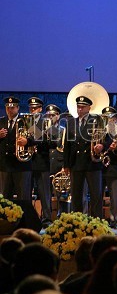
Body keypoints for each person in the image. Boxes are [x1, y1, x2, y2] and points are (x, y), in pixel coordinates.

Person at [63, 95, 104, 217]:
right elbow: (67, 145)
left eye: (82, 107)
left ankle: (98, 221)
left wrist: (101, 147)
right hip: (76, 163)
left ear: (89, 108)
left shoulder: (97, 121)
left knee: (96, 195)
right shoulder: (71, 123)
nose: (79, 109)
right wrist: (66, 164)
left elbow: (104, 139)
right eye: (78, 107)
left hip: (92, 163)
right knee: (76, 195)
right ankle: (77, 220)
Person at [0, 96, 34, 201]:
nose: (9, 110)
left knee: (23, 197)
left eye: (12, 108)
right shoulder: (1, 121)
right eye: (7, 108)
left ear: (18, 108)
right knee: (4, 198)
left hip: (22, 166)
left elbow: (38, 138)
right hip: (5, 165)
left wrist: (27, 141)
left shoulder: (27, 120)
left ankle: (24, 218)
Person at [28, 97, 54, 227]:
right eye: (31, 108)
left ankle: (47, 219)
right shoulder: (24, 122)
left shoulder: (46, 123)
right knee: (27, 193)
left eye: (35, 108)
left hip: (42, 161)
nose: (33, 111)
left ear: (40, 109)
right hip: (26, 162)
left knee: (44, 193)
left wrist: (33, 138)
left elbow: (52, 142)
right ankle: (28, 218)